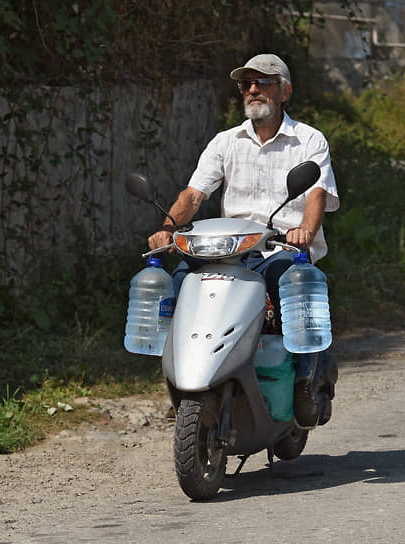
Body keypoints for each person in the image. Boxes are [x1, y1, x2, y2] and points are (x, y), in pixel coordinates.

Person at [147, 53, 340, 426]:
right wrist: (170, 228)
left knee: (287, 285)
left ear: (284, 91)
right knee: (179, 282)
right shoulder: (226, 141)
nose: (253, 90)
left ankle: (306, 375)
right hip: (230, 247)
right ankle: (183, 372)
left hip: (283, 247)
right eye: (246, 84)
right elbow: (194, 194)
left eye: (263, 82)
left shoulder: (309, 140)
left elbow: (316, 193)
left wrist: (305, 232)